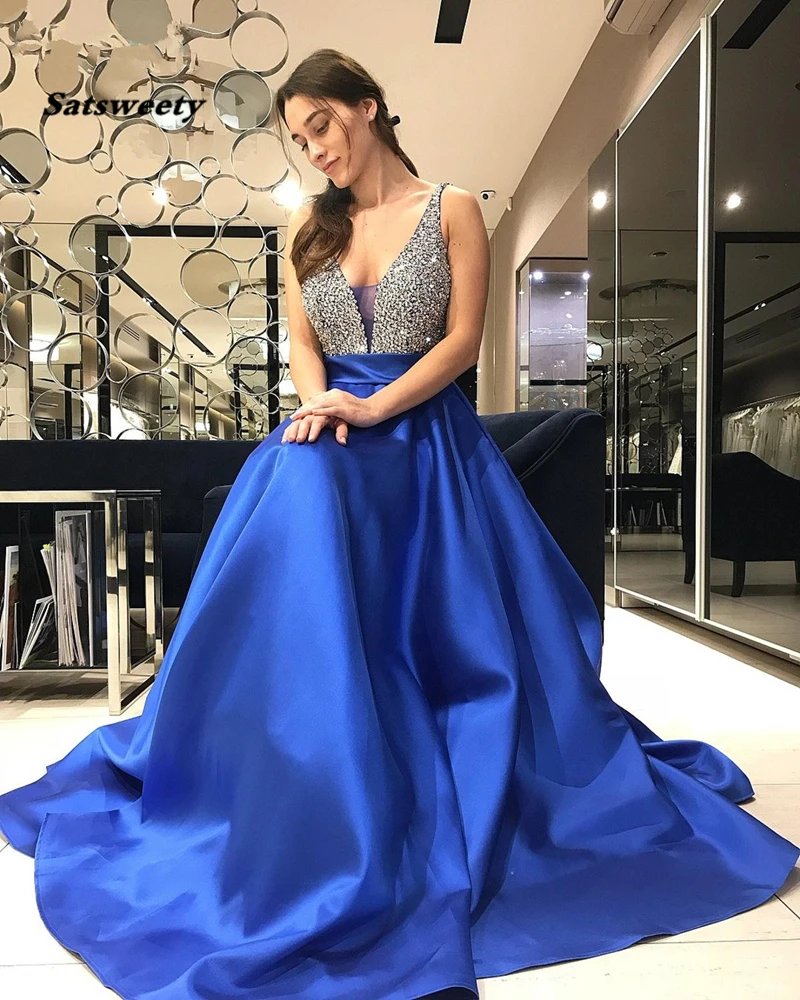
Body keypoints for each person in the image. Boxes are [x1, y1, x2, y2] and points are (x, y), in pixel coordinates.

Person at [0, 47, 798, 1000]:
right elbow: (302, 342)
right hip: (331, 427)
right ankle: (288, 762)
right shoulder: (308, 227)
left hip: (423, 437)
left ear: (368, 108)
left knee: (370, 536)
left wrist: (376, 406)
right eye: (299, 141)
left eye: (322, 126)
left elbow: (462, 343)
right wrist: (322, 405)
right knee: (299, 482)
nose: (314, 151)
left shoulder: (452, 207)